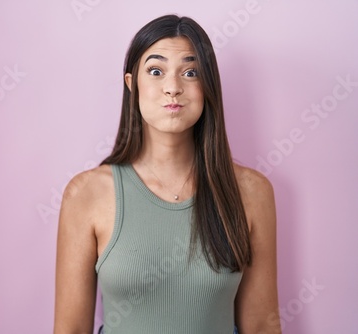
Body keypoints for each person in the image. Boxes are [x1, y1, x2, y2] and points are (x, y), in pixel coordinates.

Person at [54, 14, 281, 334]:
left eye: (190, 72)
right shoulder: (87, 193)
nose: (173, 88)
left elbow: (260, 326)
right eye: (156, 71)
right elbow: (71, 330)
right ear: (132, 84)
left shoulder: (252, 192)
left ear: (208, 86)